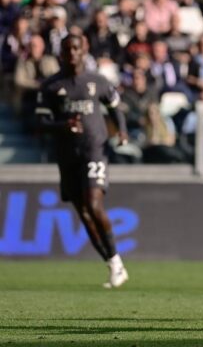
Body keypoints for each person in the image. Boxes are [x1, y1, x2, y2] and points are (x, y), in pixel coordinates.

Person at [35, 34, 129, 288]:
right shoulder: (52, 86)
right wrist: (62, 125)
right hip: (67, 155)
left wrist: (121, 130)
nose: (72, 53)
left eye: (77, 48)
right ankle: (114, 264)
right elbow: (41, 124)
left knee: (94, 204)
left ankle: (117, 263)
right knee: (84, 214)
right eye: (68, 49)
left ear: (84, 48)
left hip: (94, 150)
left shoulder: (97, 81)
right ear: (61, 54)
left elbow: (115, 106)